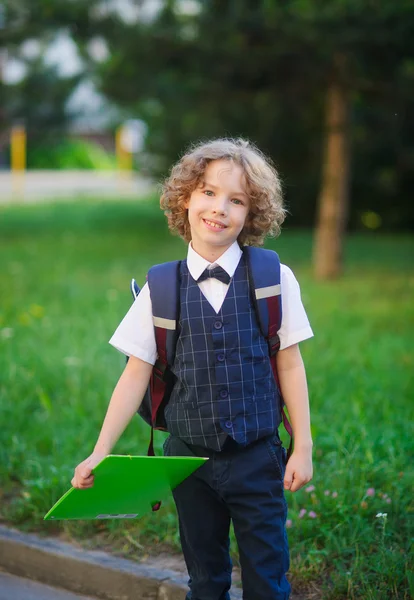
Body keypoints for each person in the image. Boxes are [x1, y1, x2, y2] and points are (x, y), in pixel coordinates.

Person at [72, 138, 314, 600]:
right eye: (207, 192)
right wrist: (102, 450)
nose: (219, 208)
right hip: (188, 463)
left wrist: (301, 446)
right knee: (205, 579)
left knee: (268, 577)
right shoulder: (160, 287)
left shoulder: (273, 278)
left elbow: (291, 363)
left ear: (252, 214)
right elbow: (134, 374)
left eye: (236, 200)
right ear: (185, 198)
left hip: (258, 457)